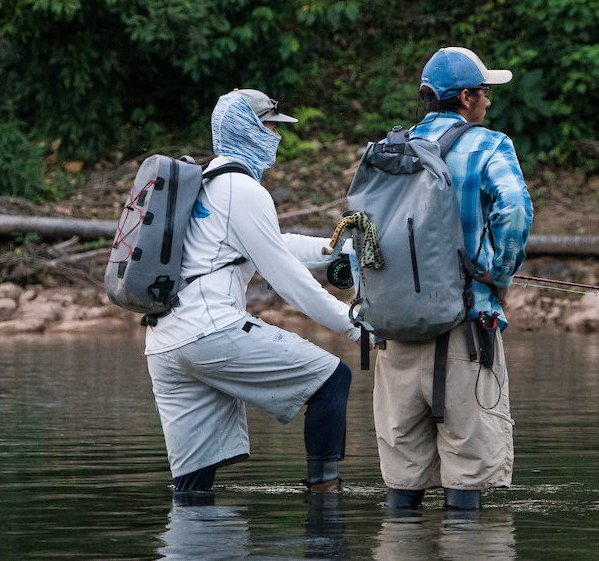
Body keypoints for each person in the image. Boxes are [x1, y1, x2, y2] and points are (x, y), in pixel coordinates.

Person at [145, 88, 361, 501]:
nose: (276, 137)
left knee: (192, 488)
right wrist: (354, 327)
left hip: (164, 344)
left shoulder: (205, 183)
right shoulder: (244, 191)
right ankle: (325, 503)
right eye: (270, 126)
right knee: (332, 379)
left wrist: (334, 251)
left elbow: (270, 244)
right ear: (250, 129)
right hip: (210, 332)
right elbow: (288, 280)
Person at [374, 47, 534, 511]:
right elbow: (516, 210)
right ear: (465, 98)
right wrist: (499, 275)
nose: (488, 101)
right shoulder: (489, 144)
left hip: (395, 337)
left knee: (402, 487)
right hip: (467, 331)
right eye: (484, 92)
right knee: (469, 480)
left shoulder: (388, 150)